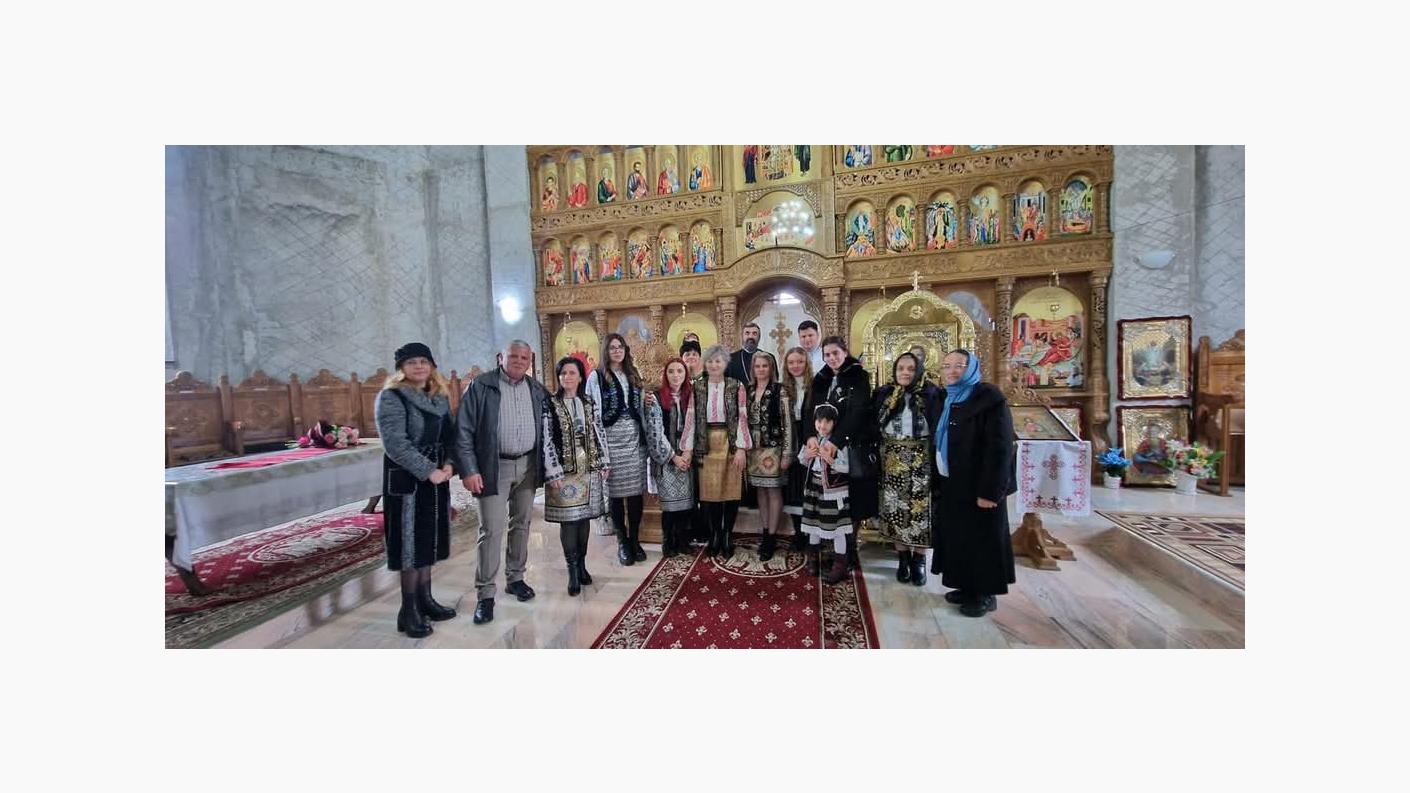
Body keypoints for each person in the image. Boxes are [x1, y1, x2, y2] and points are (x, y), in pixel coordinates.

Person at [456, 340, 547, 625]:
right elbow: (463, 429)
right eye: (513, 356)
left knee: (522, 524)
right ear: (500, 358)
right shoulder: (481, 386)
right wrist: (469, 469)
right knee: (491, 530)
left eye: (524, 357)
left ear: (530, 360)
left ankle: (516, 578)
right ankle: (485, 595)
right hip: (493, 467)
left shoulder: (536, 389)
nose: (519, 361)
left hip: (528, 465)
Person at [375, 342, 458, 638]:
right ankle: (408, 609)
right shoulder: (392, 397)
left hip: (436, 479)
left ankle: (425, 599)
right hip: (408, 480)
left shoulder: (438, 396)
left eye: (424, 361)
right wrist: (428, 471)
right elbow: (395, 444)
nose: (419, 366)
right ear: (401, 368)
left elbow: (450, 436)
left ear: (432, 366)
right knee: (409, 546)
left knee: (428, 540)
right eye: (412, 362)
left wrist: (449, 464)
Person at [930, 349, 1017, 617]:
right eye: (947, 366)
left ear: (971, 369)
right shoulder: (947, 398)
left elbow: (1000, 447)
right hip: (953, 482)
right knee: (959, 536)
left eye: (959, 365)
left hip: (980, 484)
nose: (952, 371)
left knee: (983, 539)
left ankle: (985, 593)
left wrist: (990, 491)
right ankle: (966, 586)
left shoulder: (988, 397)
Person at [541, 357, 610, 596]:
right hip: (563, 471)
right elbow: (546, 438)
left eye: (572, 373)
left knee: (583, 518)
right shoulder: (550, 403)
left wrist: (604, 460)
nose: (567, 377)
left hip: (588, 467)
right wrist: (552, 471)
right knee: (569, 520)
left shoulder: (588, 402)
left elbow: (599, 431)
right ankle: (571, 570)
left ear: (581, 377)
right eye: (563, 373)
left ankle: (581, 565)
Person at [809, 336, 879, 571]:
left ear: (845, 352)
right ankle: (833, 547)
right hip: (824, 445)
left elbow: (858, 411)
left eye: (835, 353)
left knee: (851, 501)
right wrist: (812, 437)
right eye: (827, 354)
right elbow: (812, 410)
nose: (831, 358)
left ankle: (849, 551)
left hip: (851, 445)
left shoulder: (858, 375)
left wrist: (836, 441)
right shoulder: (821, 378)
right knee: (829, 500)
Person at [873, 352, 942, 586]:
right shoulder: (885, 394)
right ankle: (902, 558)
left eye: (911, 369)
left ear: (919, 370)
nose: (905, 373)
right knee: (895, 509)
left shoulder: (931, 394)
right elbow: (875, 424)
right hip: (891, 459)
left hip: (922, 459)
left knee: (921, 512)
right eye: (900, 368)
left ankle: (919, 560)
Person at [681, 345, 752, 559]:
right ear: (705, 364)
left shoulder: (736, 386)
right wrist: (688, 449)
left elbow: (743, 417)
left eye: (718, 361)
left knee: (731, 491)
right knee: (709, 493)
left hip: (730, 442)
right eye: (710, 361)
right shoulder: (697, 387)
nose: (714, 365)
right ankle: (715, 535)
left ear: (725, 363)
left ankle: (727, 534)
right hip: (706, 443)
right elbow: (691, 416)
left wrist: (741, 448)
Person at [586, 333, 649, 566]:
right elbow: (591, 408)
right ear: (606, 350)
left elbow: (638, 401)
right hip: (610, 440)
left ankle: (635, 540)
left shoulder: (633, 373)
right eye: (612, 347)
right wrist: (597, 447)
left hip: (633, 437)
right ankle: (622, 541)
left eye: (620, 347)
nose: (617, 351)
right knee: (614, 493)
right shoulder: (596, 376)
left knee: (635, 493)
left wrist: (646, 401)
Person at [644, 358, 696, 557]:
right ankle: (669, 543)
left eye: (680, 371)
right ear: (665, 375)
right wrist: (674, 457)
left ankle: (683, 541)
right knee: (670, 506)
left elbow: (695, 424)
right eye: (671, 371)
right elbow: (655, 432)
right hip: (667, 458)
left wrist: (688, 452)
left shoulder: (691, 396)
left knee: (686, 504)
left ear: (686, 374)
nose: (676, 375)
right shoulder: (656, 398)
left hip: (687, 455)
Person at [746, 350, 793, 561]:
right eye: (757, 366)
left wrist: (787, 453)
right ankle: (765, 530)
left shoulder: (779, 390)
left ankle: (772, 537)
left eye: (765, 366)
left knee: (773, 491)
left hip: (774, 449)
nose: (761, 369)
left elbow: (788, 424)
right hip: (753, 450)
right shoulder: (748, 390)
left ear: (771, 368)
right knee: (760, 491)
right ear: (753, 369)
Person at [798, 404, 852, 584]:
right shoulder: (813, 441)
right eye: (819, 421)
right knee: (813, 523)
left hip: (833, 491)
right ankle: (813, 558)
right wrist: (807, 455)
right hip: (814, 488)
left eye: (827, 422)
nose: (822, 425)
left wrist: (831, 460)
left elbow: (847, 467)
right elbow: (802, 460)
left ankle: (840, 565)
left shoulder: (838, 444)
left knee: (837, 528)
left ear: (834, 423)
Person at [781, 346, 815, 552]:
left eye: (800, 362)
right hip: (791, 436)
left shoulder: (815, 385)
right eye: (791, 362)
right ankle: (798, 533)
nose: (795, 366)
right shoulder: (783, 388)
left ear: (806, 363)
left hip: (809, 436)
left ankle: (812, 534)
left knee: (810, 486)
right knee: (793, 487)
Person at [679, 338, 708, 547]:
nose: (690, 357)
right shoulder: (677, 380)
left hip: (704, 441)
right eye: (686, 354)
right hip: (682, 442)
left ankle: (704, 528)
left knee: (703, 487)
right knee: (687, 487)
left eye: (694, 354)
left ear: (700, 358)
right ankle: (688, 528)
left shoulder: (707, 380)